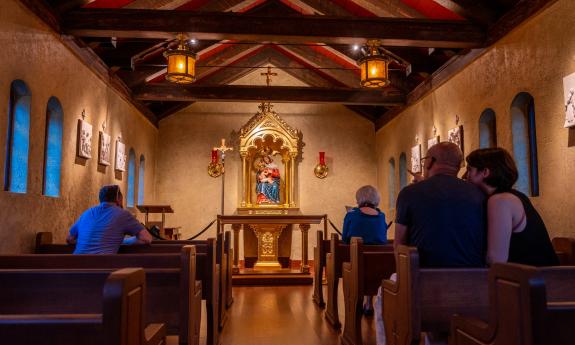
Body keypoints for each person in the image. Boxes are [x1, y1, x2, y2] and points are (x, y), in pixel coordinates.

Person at [395, 142, 486, 268]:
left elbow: (400, 245)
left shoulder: (409, 193)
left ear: (430, 162)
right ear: (458, 166)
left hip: (423, 277)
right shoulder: (478, 193)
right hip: (472, 278)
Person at [464, 148, 559, 266]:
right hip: (540, 277)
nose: (465, 176)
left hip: (534, 279)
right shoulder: (516, 196)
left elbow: (496, 260)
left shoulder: (500, 201)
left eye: (469, 170)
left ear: (485, 172)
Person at [66, 185, 152, 254]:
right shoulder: (122, 214)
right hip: (102, 268)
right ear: (118, 199)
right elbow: (146, 238)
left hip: (75, 265)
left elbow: (69, 238)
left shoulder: (87, 213)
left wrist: (87, 241)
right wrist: (124, 242)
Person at [342, 185, 388, 316]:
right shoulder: (381, 216)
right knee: (371, 263)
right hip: (378, 265)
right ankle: (369, 303)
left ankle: (355, 305)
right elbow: (382, 237)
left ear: (359, 199)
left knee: (359, 260)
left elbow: (345, 239)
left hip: (356, 263)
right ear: (376, 199)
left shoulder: (351, 215)